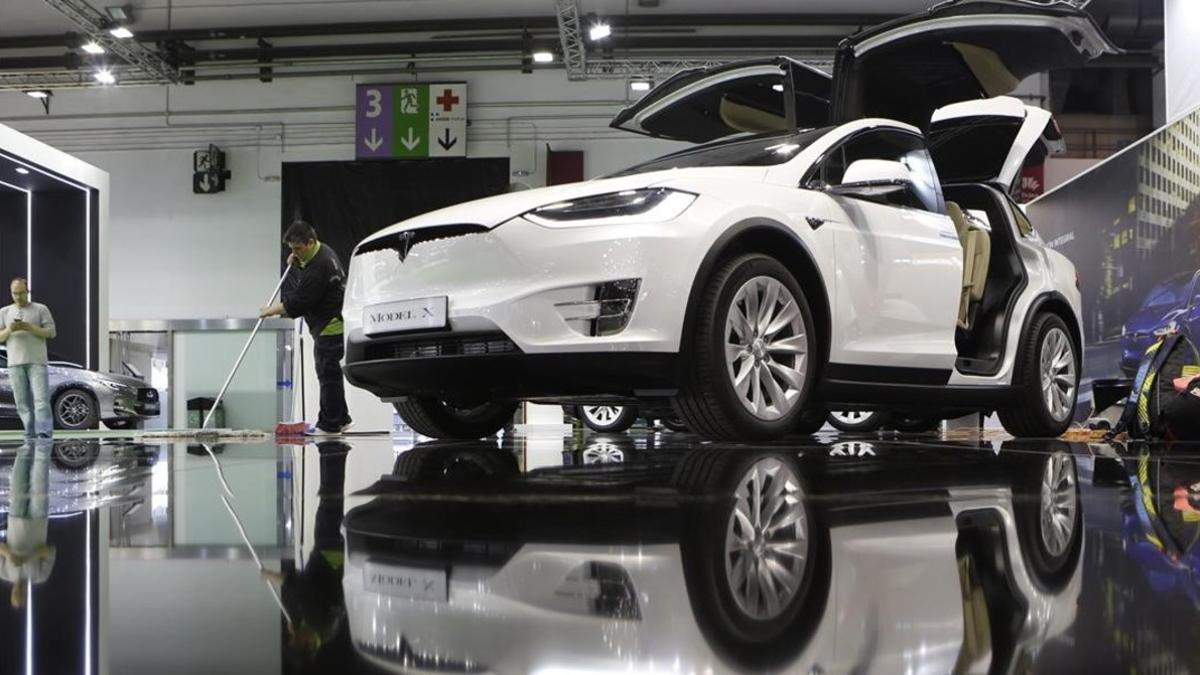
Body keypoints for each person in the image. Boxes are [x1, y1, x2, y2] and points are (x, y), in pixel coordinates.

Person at [260, 221, 352, 436]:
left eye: (298, 249)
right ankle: (342, 418)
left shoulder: (317, 270)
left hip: (330, 326)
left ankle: (329, 425)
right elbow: (306, 267)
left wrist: (270, 310)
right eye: (291, 249)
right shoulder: (323, 250)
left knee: (327, 375)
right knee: (332, 374)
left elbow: (300, 302)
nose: (294, 253)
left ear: (310, 242)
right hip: (333, 321)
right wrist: (297, 261)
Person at [0, 278, 56, 439]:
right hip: (15, 364)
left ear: (27, 291)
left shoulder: (40, 309)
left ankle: (44, 432)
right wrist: (10, 329)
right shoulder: (4, 312)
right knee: (22, 403)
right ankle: (29, 431)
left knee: (41, 400)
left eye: (21, 293)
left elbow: (51, 332)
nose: (18, 297)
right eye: (15, 293)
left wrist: (29, 327)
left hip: (37, 362)